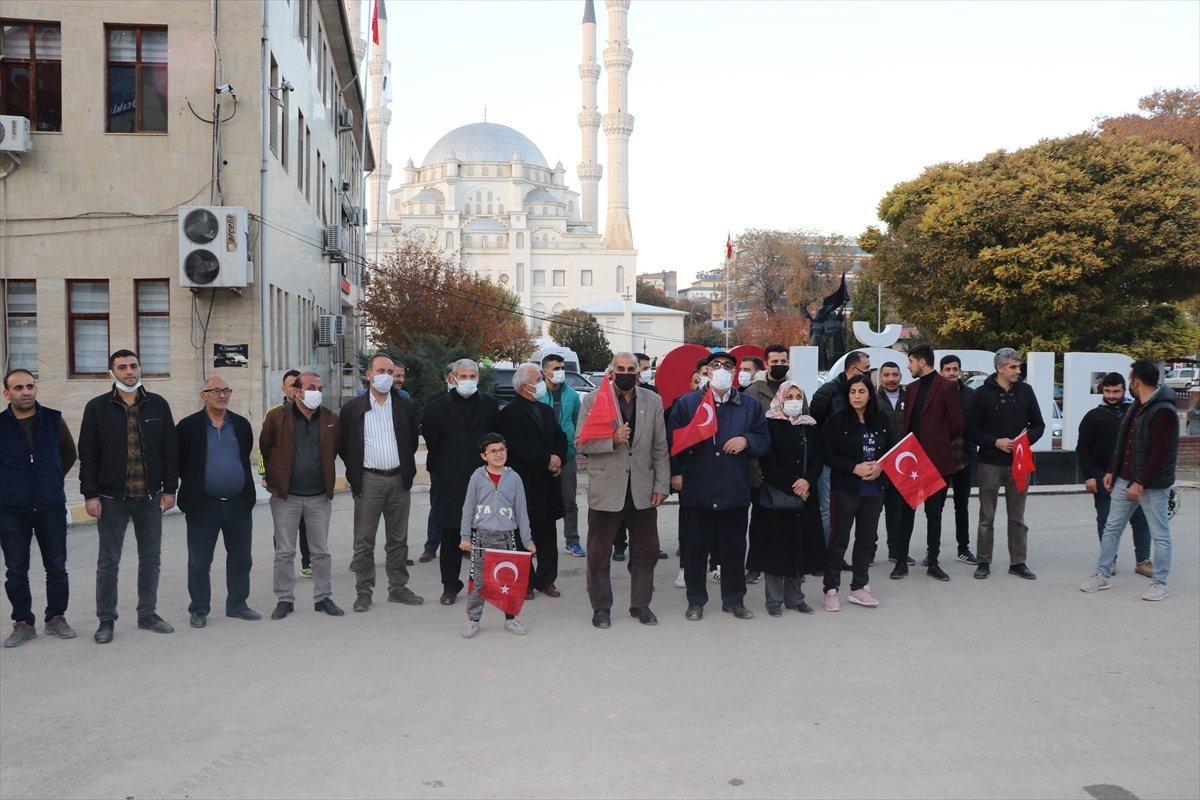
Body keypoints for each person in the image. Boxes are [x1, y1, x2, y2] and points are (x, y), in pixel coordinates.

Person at [79, 349, 179, 643]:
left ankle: (147, 613)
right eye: (122, 367)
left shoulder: (158, 405)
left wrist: (170, 489)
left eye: (133, 366)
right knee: (108, 560)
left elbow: (170, 450)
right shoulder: (97, 408)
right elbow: (88, 454)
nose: (129, 372)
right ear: (112, 373)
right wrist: (90, 495)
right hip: (112, 498)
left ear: (140, 369)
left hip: (149, 496)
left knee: (151, 558)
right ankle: (106, 620)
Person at [668, 350, 770, 621]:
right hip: (698, 488)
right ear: (707, 371)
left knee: (734, 549)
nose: (722, 369)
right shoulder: (689, 403)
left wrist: (746, 440)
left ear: (735, 373)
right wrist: (675, 473)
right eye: (716, 365)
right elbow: (672, 441)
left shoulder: (749, 405)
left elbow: (764, 440)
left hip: (734, 489)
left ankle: (734, 600)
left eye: (727, 366)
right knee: (696, 548)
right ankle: (696, 601)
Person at [578, 352, 670, 628]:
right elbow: (580, 443)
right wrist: (612, 440)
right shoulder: (596, 399)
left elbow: (660, 447)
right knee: (598, 553)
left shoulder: (652, 400)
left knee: (647, 552)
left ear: (638, 374)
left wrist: (661, 485)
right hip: (607, 489)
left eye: (631, 369)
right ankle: (601, 607)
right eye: (621, 368)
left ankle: (640, 605)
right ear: (612, 371)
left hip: (642, 490)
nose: (626, 373)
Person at [1081, 361, 1179, 601]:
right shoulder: (1136, 406)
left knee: (1160, 534)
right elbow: (1124, 445)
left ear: (1136, 382)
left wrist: (1140, 482)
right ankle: (1103, 574)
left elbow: (1160, 453)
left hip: (1152, 484)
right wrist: (1112, 471)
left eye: (1130, 379)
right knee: (1112, 527)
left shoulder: (1163, 410)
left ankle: (1160, 583)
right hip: (1124, 479)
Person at [339, 353, 422, 612]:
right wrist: (356, 474)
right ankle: (363, 591)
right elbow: (345, 445)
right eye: (380, 371)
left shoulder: (405, 406)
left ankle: (397, 588)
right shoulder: (353, 408)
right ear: (369, 375)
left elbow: (410, 441)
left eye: (390, 371)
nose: (386, 376)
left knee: (398, 539)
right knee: (364, 541)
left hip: (398, 480)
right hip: (369, 480)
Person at [175, 376, 260, 628]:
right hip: (204, 505)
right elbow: (179, 461)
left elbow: (244, 456)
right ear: (204, 395)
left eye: (226, 390)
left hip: (238, 503)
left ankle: (237, 604)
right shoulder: (188, 427)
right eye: (215, 390)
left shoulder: (241, 425)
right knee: (200, 561)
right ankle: (199, 609)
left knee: (241, 558)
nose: (221, 395)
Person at [0, 369, 77, 647]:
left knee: (56, 567)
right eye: (18, 387)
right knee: (16, 570)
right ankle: (23, 622)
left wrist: (51, 479)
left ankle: (56, 618)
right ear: (6, 393)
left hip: (50, 507)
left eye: (30, 386)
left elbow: (69, 453)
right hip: (11, 511)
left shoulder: (54, 420)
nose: (25, 392)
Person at [260, 370, 343, 619]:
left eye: (319, 388)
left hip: (319, 496)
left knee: (321, 552)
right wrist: (275, 478)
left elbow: (335, 449)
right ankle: (285, 600)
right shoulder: (276, 417)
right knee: (284, 552)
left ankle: (323, 598)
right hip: (287, 497)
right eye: (310, 387)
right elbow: (265, 447)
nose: (316, 392)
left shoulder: (330, 418)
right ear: (296, 391)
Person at [422, 358, 499, 605]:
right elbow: (433, 444)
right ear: (453, 379)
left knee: (485, 535)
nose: (468, 381)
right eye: (463, 376)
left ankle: (485, 583)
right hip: (451, 481)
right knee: (452, 535)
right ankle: (450, 585)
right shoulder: (436, 408)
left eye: (472, 376)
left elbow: (495, 439)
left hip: (484, 481)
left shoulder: (490, 405)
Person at [965, 348, 1044, 580]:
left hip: (1018, 463)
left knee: (1017, 517)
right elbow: (970, 430)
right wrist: (994, 442)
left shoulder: (1026, 391)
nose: (1018, 371)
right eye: (1013, 367)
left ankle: (1018, 562)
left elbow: (1038, 425)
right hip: (990, 463)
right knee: (986, 517)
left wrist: (1024, 442)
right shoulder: (981, 394)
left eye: (1018, 367)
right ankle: (983, 561)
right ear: (1000, 368)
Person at [747, 381, 823, 616]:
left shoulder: (809, 425)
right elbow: (768, 463)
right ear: (780, 398)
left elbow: (818, 458)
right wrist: (794, 484)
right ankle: (774, 601)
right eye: (789, 395)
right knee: (776, 549)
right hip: (778, 495)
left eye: (798, 395)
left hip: (806, 495)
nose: (794, 399)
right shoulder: (770, 424)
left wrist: (807, 480)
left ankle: (795, 598)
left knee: (800, 546)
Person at [892, 344, 964, 582]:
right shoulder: (911, 388)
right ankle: (901, 561)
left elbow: (956, 424)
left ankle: (933, 561)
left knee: (934, 513)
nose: (909, 366)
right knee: (906, 511)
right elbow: (909, 424)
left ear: (921, 362)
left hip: (937, 463)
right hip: (913, 462)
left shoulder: (947, 386)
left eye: (910, 361)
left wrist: (938, 447)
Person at [819, 374, 892, 611]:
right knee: (839, 539)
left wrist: (881, 466)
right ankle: (831, 589)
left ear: (869, 393)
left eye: (861, 391)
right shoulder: (836, 421)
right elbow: (826, 453)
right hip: (845, 488)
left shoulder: (881, 420)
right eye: (852, 392)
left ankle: (859, 587)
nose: (857, 396)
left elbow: (891, 449)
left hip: (874, 489)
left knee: (866, 539)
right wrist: (853, 467)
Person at [496, 363, 567, 598]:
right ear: (524, 385)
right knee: (522, 535)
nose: (540, 384)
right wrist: (546, 460)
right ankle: (525, 581)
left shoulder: (545, 410)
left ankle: (547, 580)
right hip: (525, 483)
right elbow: (518, 447)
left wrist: (558, 458)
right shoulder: (509, 413)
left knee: (547, 534)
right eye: (537, 379)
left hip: (548, 483)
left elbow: (560, 437)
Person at [1077, 372, 1152, 577]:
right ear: (1102, 390)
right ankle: (1109, 561)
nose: (1111, 395)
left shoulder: (1135, 412)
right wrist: (1088, 476)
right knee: (1107, 521)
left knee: (1141, 520)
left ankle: (1143, 561)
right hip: (1102, 476)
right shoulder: (1093, 416)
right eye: (1107, 391)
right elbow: (1083, 448)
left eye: (1116, 391)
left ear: (1123, 390)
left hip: (1132, 477)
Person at [459, 434, 534, 637]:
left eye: (502, 450)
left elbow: (521, 510)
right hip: (481, 539)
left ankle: (511, 619)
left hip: (506, 537)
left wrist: (527, 540)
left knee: (508, 580)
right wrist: (465, 536)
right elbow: (468, 507)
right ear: (484, 456)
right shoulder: (477, 477)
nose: (498, 454)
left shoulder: (514, 478)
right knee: (478, 582)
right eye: (493, 451)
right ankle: (472, 619)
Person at [742, 343, 793, 584]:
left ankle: (782, 563)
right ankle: (754, 564)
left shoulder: (793, 390)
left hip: (784, 467)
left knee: (782, 519)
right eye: (776, 361)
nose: (780, 365)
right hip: (756, 468)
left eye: (784, 361)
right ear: (766, 363)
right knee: (758, 520)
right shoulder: (753, 392)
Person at [810, 351, 872, 543]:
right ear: (854, 370)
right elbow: (814, 426)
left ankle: (837, 552)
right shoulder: (827, 392)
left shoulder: (866, 392)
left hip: (854, 464)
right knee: (828, 509)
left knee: (847, 510)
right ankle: (827, 554)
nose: (869, 373)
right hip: (829, 463)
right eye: (867, 369)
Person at [260, 371, 312, 577]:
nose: (295, 389)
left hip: (307, 483)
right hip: (282, 483)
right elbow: (264, 446)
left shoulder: (313, 412)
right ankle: (284, 565)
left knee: (308, 526)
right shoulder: (274, 413)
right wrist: (265, 475)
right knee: (283, 528)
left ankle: (308, 563)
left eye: (299, 385)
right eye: (292, 385)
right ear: (284, 389)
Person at [540, 354, 584, 558]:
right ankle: (536, 542)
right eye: (555, 368)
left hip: (567, 455)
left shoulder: (573, 396)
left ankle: (572, 541)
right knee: (540, 501)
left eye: (561, 368)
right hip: (541, 456)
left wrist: (573, 446)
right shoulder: (537, 394)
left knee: (569, 501)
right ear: (544, 371)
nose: (559, 372)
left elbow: (577, 423)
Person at [939, 355, 978, 564]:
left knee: (961, 504)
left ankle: (963, 548)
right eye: (947, 369)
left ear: (960, 371)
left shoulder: (971, 395)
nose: (952, 373)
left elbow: (975, 424)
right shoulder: (935, 394)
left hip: (963, 455)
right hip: (940, 457)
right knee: (935, 506)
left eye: (955, 369)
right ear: (941, 372)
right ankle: (932, 551)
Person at [419, 363, 459, 563]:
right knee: (438, 505)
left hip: (466, 466)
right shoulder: (435, 402)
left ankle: (464, 544)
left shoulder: (477, 401)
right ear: (447, 378)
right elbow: (429, 433)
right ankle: (431, 545)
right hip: (441, 465)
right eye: (455, 376)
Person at [875, 362, 907, 564]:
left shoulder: (909, 398)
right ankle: (868, 552)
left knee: (897, 511)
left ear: (901, 376)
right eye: (886, 375)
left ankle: (896, 551)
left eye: (894, 374)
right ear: (880, 377)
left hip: (902, 464)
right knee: (873, 511)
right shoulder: (873, 400)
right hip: (878, 464)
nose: (891, 379)